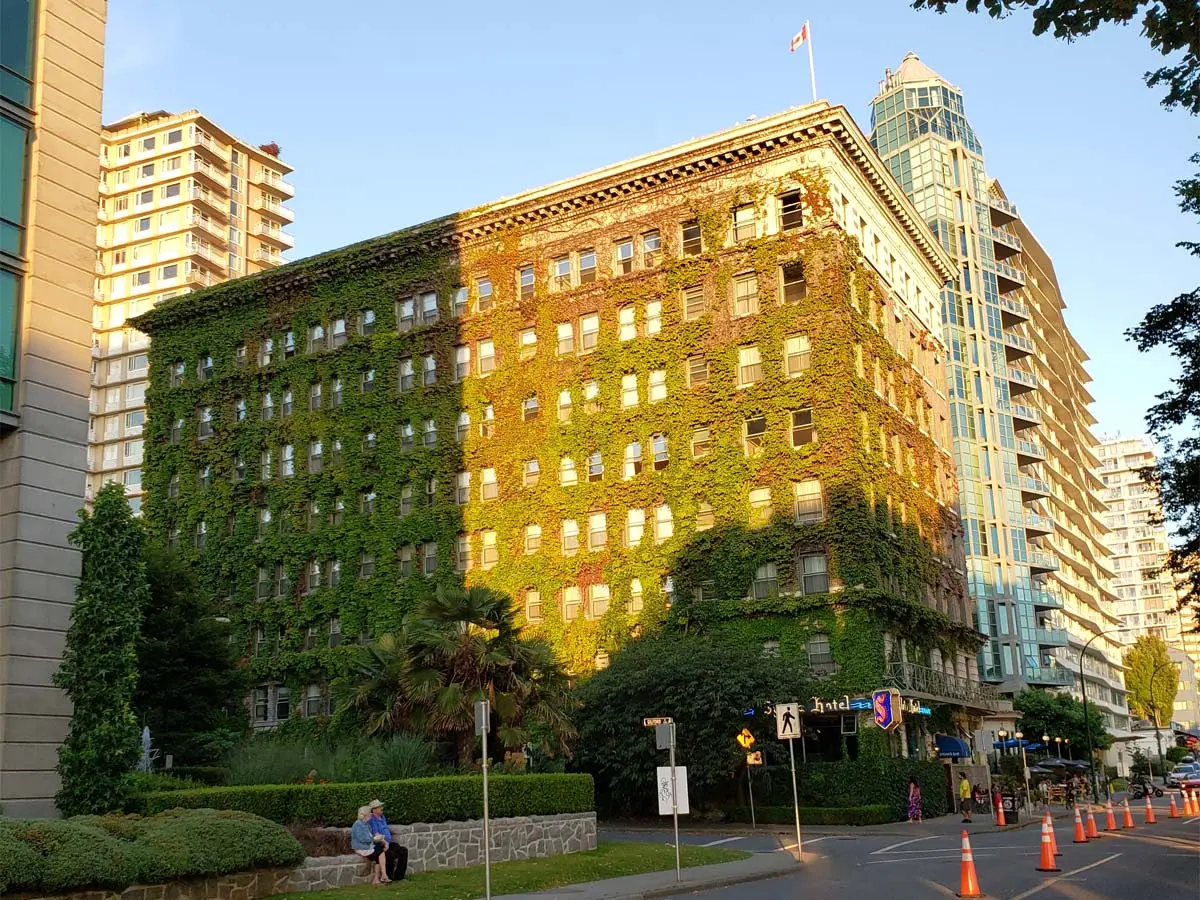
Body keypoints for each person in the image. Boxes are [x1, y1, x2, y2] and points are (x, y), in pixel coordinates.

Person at [368, 799, 408, 882]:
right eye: (380, 807)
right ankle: (388, 877)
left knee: (403, 850)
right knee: (390, 854)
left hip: (388, 843)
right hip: (380, 844)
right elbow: (376, 834)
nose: (382, 808)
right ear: (374, 810)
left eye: (381, 806)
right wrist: (385, 843)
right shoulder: (372, 819)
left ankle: (399, 877)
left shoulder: (382, 817)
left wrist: (388, 843)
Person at [350, 806, 388, 885]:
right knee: (379, 851)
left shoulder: (367, 824)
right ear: (365, 814)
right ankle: (382, 876)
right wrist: (374, 839)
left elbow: (369, 836)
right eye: (370, 813)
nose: (371, 814)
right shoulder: (358, 824)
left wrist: (378, 837)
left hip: (368, 846)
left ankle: (378, 878)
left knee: (380, 851)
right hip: (361, 847)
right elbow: (362, 839)